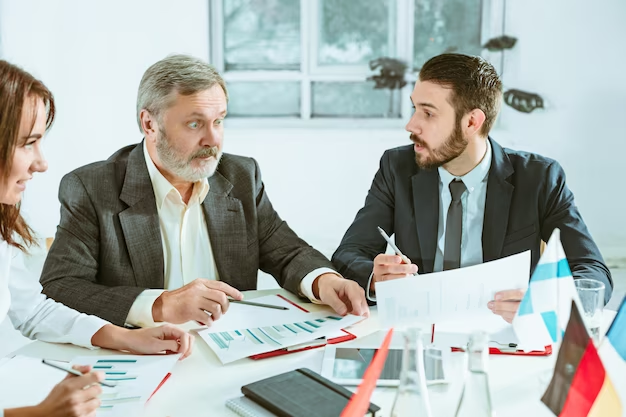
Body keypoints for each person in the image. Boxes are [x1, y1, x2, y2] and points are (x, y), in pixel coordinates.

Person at [40, 54, 368, 328]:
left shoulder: (241, 176)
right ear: (150, 124)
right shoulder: (92, 188)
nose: (213, 140)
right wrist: (158, 306)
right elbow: (62, 287)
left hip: (230, 349)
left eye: (220, 120)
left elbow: (287, 252)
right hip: (141, 356)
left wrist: (325, 281)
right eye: (195, 124)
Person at [331, 53, 612, 323]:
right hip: (418, 329)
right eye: (414, 108)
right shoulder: (396, 167)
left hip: (502, 335)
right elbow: (349, 252)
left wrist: (547, 299)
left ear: (471, 122)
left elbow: (593, 272)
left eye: (428, 113)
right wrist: (375, 278)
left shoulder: (540, 178)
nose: (411, 124)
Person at [0, 61, 194, 417]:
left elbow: (30, 310)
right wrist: (35, 415)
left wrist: (125, 336)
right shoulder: (89, 188)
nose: (41, 163)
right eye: (28, 143)